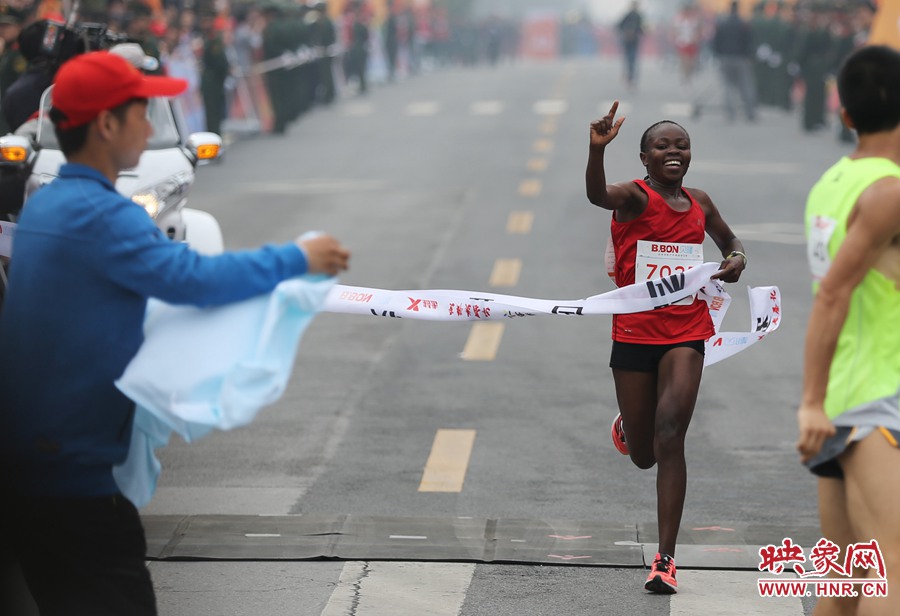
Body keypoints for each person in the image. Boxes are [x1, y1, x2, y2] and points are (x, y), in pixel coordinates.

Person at [0, 50, 349, 615]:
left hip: (39, 471)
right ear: (107, 124)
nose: (148, 123)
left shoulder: (49, 207)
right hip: (72, 480)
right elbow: (195, 279)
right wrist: (297, 256)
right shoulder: (100, 216)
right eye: (141, 111)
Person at [585, 101, 746, 594]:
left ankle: (665, 559)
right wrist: (596, 153)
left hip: (686, 331)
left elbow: (730, 241)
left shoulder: (700, 202)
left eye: (681, 145)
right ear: (644, 158)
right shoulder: (633, 198)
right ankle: (630, 430)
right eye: (663, 146)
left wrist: (735, 258)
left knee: (671, 432)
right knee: (645, 455)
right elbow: (596, 196)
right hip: (634, 335)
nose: (674, 152)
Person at [797, 45, 900, 616]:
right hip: (877, 399)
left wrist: (817, 400)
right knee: (891, 572)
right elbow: (834, 292)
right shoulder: (890, 193)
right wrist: (811, 401)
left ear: (845, 115)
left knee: (846, 588)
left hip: (843, 398)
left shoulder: (832, 183)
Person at [712, 0, 757, 123]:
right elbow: (749, 41)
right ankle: (750, 112)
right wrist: (748, 55)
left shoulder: (722, 24)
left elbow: (715, 41)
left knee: (727, 86)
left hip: (725, 58)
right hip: (741, 58)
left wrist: (718, 55)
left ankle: (730, 113)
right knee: (746, 86)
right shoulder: (744, 24)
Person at [616, 1, 644, 89]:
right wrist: (626, 32)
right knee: (629, 59)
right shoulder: (627, 15)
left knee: (631, 59)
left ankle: (630, 78)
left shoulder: (638, 16)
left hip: (634, 41)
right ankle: (628, 77)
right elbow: (619, 26)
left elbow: (641, 28)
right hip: (627, 40)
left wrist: (636, 32)